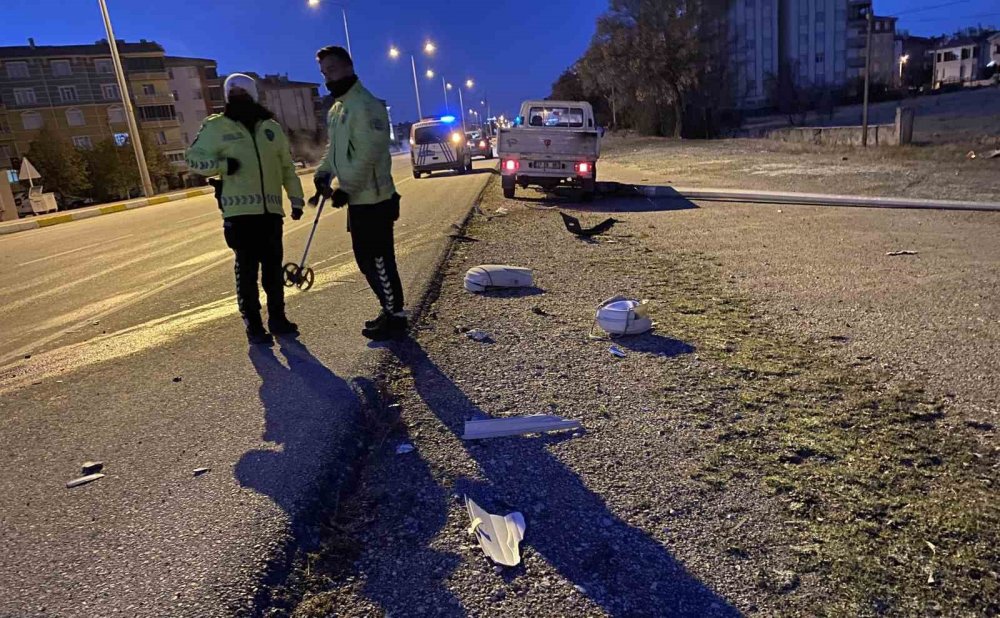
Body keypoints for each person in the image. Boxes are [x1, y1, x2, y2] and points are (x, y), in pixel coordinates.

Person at [186, 73, 306, 345]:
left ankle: (278, 319)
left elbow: (286, 167)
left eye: (243, 93)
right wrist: (223, 166)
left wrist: (296, 198)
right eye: (233, 94)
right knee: (247, 272)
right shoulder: (216, 127)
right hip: (239, 216)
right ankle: (254, 325)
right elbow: (193, 159)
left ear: (253, 95)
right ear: (227, 97)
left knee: (272, 271)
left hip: (270, 213)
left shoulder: (271, 129)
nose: (238, 97)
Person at [313, 46, 406, 341]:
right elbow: (335, 150)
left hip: (376, 199)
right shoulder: (338, 109)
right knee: (364, 260)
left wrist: (346, 188)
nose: (328, 77)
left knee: (379, 259)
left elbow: (369, 153)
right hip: (358, 201)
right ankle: (388, 308)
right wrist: (323, 173)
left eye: (332, 70)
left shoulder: (366, 105)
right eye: (324, 73)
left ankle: (396, 316)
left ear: (348, 67)